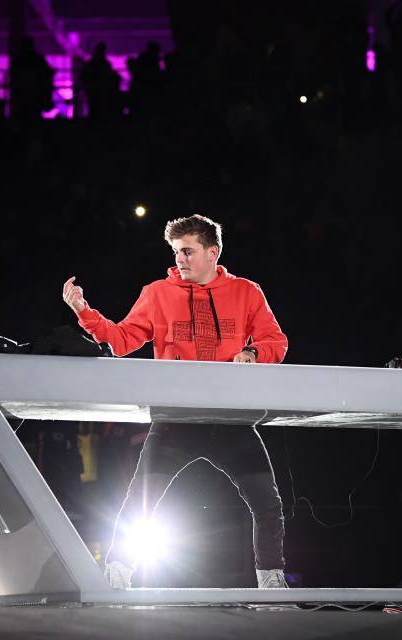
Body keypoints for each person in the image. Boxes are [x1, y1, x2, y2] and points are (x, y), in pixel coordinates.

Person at [61, 214, 289, 589]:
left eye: (187, 251)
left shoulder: (247, 292)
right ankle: (117, 575)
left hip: (230, 419)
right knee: (140, 502)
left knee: (268, 504)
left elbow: (276, 341)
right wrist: (84, 313)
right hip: (175, 419)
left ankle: (272, 584)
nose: (179, 259)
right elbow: (120, 340)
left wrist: (252, 352)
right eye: (175, 252)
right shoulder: (157, 292)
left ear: (212, 252)